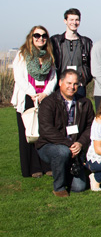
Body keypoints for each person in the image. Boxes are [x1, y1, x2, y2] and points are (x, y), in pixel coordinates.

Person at [36, 70, 94, 197]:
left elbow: (91, 127)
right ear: (61, 82)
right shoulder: (48, 102)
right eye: (68, 83)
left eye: (75, 84)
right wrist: (68, 144)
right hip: (49, 145)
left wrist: (80, 143)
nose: (72, 87)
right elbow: (46, 130)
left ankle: (66, 170)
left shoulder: (85, 103)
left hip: (75, 147)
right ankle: (59, 187)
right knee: (62, 152)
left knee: (79, 188)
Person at [12, 26, 56, 178]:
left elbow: (53, 77)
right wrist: (33, 93)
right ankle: (32, 168)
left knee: (45, 133)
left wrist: (45, 93)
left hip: (44, 98)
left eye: (44, 36)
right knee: (28, 133)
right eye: (37, 35)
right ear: (31, 37)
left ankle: (46, 165)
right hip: (27, 98)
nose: (40, 38)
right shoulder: (22, 55)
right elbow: (19, 77)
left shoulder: (49, 55)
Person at [50, 8, 93, 99]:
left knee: (79, 111)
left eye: (77, 20)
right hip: (60, 84)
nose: (74, 22)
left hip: (79, 85)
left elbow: (90, 64)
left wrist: (84, 79)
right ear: (65, 21)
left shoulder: (86, 42)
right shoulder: (55, 41)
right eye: (71, 20)